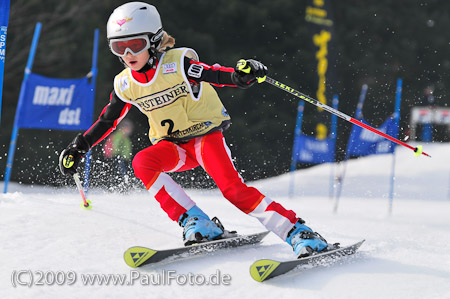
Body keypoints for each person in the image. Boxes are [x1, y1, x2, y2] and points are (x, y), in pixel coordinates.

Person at [59, 2, 328, 258]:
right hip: (174, 147)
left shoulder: (177, 64)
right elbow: (108, 120)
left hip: (204, 137)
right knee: (143, 161)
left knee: (233, 191)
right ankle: (196, 221)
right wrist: (79, 146)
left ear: (153, 41)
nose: (128, 55)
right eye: (119, 47)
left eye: (135, 45)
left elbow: (213, 74)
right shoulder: (125, 84)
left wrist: (239, 76)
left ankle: (298, 232)